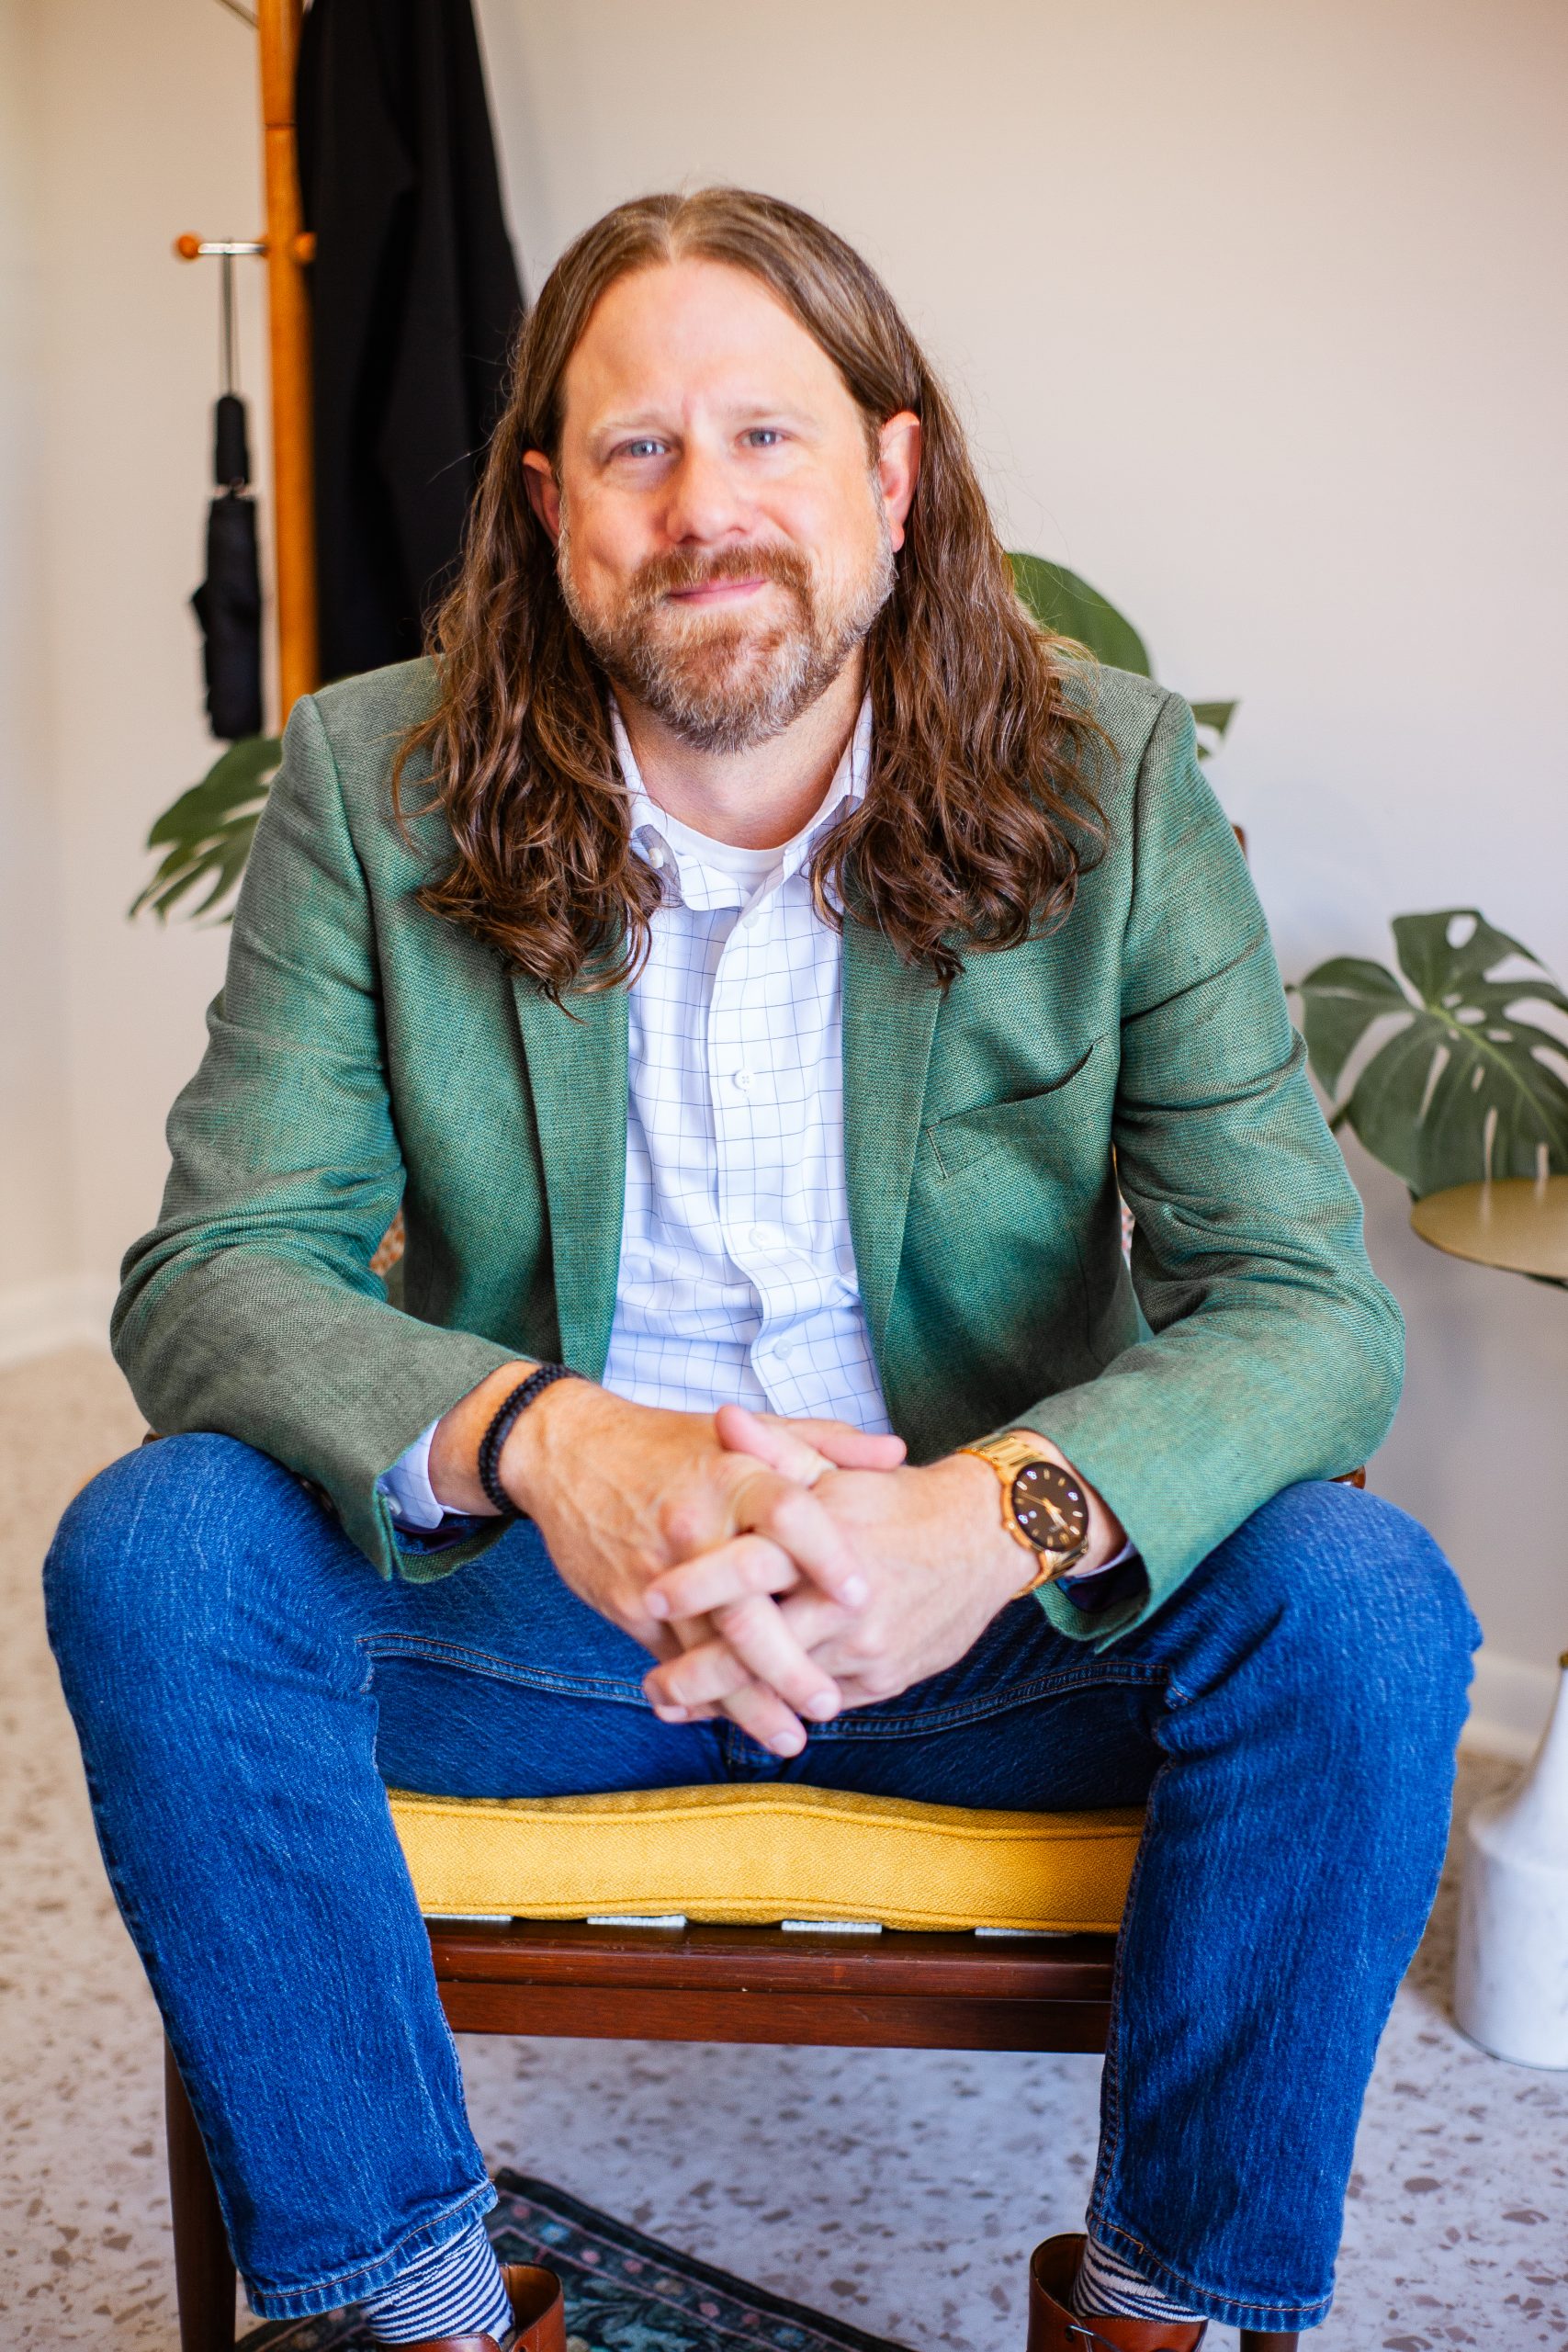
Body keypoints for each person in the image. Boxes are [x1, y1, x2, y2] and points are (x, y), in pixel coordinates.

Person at [46, 187, 1477, 2352]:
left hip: (988, 1625)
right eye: (634, 451)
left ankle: (1158, 2315)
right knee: (160, 1553)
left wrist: (973, 1520)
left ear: (891, 477)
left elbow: (1301, 1302)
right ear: (547, 509)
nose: (702, 508)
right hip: (554, 1619)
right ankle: (424, 2310)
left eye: (766, 438)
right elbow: (221, 1267)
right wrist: (559, 1444)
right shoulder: (372, 780)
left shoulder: (1107, 778)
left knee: (1359, 1614)